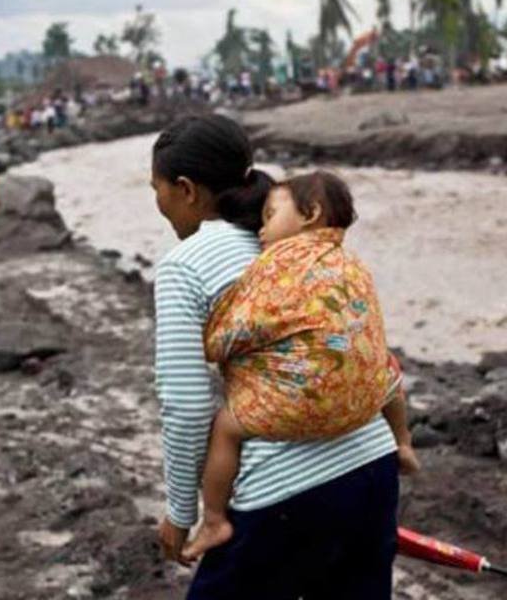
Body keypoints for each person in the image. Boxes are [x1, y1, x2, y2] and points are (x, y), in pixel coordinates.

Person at [152, 115, 400, 599]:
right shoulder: (304, 239)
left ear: (185, 189)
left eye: (155, 189)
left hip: (284, 493)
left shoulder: (186, 265)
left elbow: (185, 403)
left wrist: (182, 513)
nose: (157, 202)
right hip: (374, 464)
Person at [181, 170, 418, 561]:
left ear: (310, 214)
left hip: (305, 408)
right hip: (364, 404)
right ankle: (404, 442)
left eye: (270, 216)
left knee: (225, 427)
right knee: (385, 367)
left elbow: (240, 326)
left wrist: (211, 340)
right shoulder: (352, 264)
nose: (260, 230)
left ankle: (215, 521)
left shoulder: (277, 264)